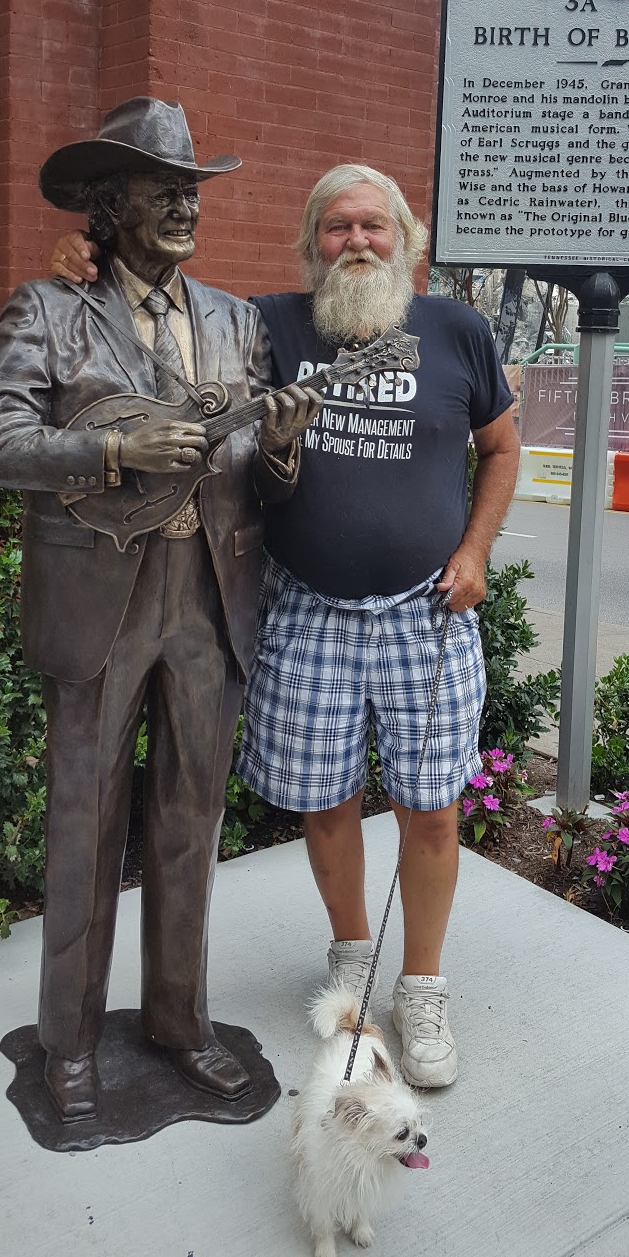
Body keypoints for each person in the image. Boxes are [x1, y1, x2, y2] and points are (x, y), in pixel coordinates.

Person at [53, 161, 520, 1089]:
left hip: (426, 612)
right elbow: (156, 312)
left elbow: (502, 447)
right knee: (325, 800)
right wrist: (85, 260)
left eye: (374, 226)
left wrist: (475, 552)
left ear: (407, 241)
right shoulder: (266, 325)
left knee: (432, 811)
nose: (357, 243)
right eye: (337, 228)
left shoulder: (457, 332)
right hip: (305, 609)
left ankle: (421, 988)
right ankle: (352, 954)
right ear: (312, 245)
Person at [0, 98, 321, 1124]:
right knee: (84, 823)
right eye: (161, 188)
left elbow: (255, 467)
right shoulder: (47, 311)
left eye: (192, 190)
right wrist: (114, 448)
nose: (184, 205)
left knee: (188, 821)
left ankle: (179, 1022)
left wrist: (283, 447)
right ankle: (70, 1043)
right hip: (99, 601)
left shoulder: (236, 321)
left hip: (209, 598)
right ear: (106, 202)